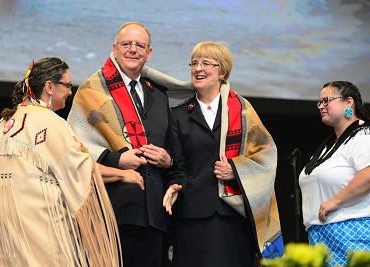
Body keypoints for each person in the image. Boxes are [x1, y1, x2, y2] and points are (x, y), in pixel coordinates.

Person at [0, 57, 143, 267]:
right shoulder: (49, 122)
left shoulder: (5, 122)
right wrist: (122, 174)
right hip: (37, 226)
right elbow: (79, 168)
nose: (70, 91)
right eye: (67, 85)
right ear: (49, 87)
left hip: (2, 228)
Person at [156, 41, 284, 267]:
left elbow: (266, 154)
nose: (198, 69)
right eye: (194, 63)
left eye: (206, 63)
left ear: (222, 71)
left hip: (232, 215)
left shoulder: (242, 110)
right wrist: (175, 183)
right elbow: (179, 166)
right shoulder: (178, 115)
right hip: (191, 216)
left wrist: (235, 169)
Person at [67, 22, 173, 267]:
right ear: (114, 49)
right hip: (109, 210)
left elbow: (173, 149)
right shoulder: (91, 91)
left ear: (149, 53)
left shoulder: (159, 96)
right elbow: (74, 147)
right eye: (126, 44)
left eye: (140, 45)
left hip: (153, 215)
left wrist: (168, 160)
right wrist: (116, 159)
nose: (133, 50)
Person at [299, 81, 370, 267]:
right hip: (322, 236)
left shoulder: (363, 135)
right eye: (320, 102)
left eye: (327, 100)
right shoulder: (329, 144)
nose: (321, 106)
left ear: (349, 102)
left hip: (352, 233)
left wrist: (335, 201)